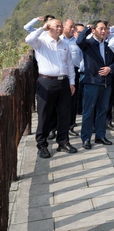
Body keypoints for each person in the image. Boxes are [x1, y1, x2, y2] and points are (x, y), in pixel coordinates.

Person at [25, 19, 77, 158]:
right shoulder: (41, 41)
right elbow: (28, 38)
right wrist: (42, 28)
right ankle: (42, 145)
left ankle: (63, 142)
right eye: (57, 26)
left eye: (61, 26)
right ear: (49, 28)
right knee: (44, 115)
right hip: (46, 82)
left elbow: (70, 64)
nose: (59, 28)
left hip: (64, 82)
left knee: (65, 114)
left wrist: (72, 82)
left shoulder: (64, 44)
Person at [77, 21, 114, 149]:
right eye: (100, 28)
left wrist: (110, 68)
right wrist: (87, 30)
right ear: (94, 30)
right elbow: (79, 41)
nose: (103, 31)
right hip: (92, 82)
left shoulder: (108, 46)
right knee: (88, 112)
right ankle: (86, 138)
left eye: (105, 29)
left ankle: (100, 136)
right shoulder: (88, 44)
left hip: (106, 83)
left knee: (103, 111)